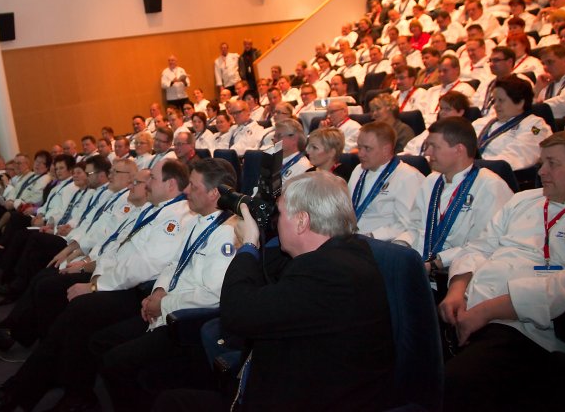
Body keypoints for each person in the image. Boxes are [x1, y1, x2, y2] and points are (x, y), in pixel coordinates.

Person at [0, 160, 193, 412]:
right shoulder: (155, 209)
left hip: (137, 292)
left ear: (171, 185)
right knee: (64, 303)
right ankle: (50, 385)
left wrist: (95, 285)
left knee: (76, 308)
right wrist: (90, 270)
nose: (147, 183)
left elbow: (143, 266)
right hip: (116, 279)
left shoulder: (175, 217)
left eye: (152, 179)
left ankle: (30, 390)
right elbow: (117, 248)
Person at [161, 172, 396, 411]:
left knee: (171, 403)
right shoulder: (341, 252)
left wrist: (249, 244)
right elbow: (266, 266)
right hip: (290, 384)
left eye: (280, 214)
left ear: (302, 221)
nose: (276, 221)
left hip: (306, 399)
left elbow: (237, 313)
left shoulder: (331, 274)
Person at [440, 132, 565, 412]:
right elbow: (479, 247)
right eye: (541, 163)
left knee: (452, 385)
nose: (541, 171)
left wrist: (486, 311)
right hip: (467, 306)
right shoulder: (524, 200)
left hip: (523, 328)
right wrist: (456, 292)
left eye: (552, 163)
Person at [93, 159, 241, 412]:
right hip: (164, 308)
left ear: (214, 193)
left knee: (117, 362)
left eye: (194, 186)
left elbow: (212, 295)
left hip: (184, 323)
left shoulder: (227, 233)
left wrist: (163, 304)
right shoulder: (199, 220)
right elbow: (174, 263)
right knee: (103, 342)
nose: (187, 190)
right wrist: (159, 291)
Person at [396, 117, 513, 273]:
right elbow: (415, 227)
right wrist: (399, 246)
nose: (428, 152)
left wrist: (438, 262)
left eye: (434, 146)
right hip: (422, 266)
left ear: (459, 150)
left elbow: (485, 245)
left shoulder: (490, 186)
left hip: (462, 273)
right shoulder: (431, 181)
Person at [348, 121, 423, 241]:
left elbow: (407, 224)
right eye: (359, 147)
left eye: (367, 148)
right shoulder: (358, 170)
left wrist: (371, 236)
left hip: (380, 243)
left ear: (386, 149)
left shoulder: (407, 177)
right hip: (352, 238)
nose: (360, 154)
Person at [471, 76, 553, 170]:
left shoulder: (535, 126)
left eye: (501, 100)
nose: (495, 105)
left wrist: (474, 166)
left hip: (496, 173)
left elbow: (516, 157)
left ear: (520, 103)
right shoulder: (481, 122)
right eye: (494, 100)